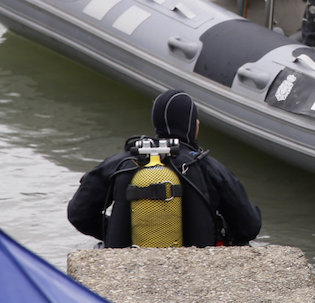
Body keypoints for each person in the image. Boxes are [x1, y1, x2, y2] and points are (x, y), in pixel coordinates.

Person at [67, 89, 262, 248]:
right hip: (199, 265)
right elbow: (249, 227)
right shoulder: (208, 167)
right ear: (193, 125)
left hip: (128, 261)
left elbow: (78, 214)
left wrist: (118, 231)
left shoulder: (121, 164)